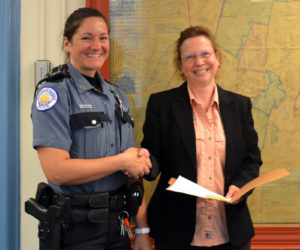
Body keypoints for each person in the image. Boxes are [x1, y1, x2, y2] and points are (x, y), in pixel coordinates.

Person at [30, 7, 152, 250]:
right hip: (75, 230)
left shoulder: (117, 96)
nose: (97, 45)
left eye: (103, 37)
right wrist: (122, 161)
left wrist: (141, 230)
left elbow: (131, 175)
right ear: (67, 43)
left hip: (118, 227)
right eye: (86, 37)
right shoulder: (54, 93)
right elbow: (57, 171)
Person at [141, 26, 262, 250]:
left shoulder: (240, 106)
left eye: (205, 54)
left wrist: (240, 187)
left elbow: (252, 160)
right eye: (190, 57)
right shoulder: (162, 105)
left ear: (217, 57)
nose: (199, 62)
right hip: (176, 233)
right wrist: (144, 161)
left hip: (231, 234)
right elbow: (153, 159)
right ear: (180, 64)